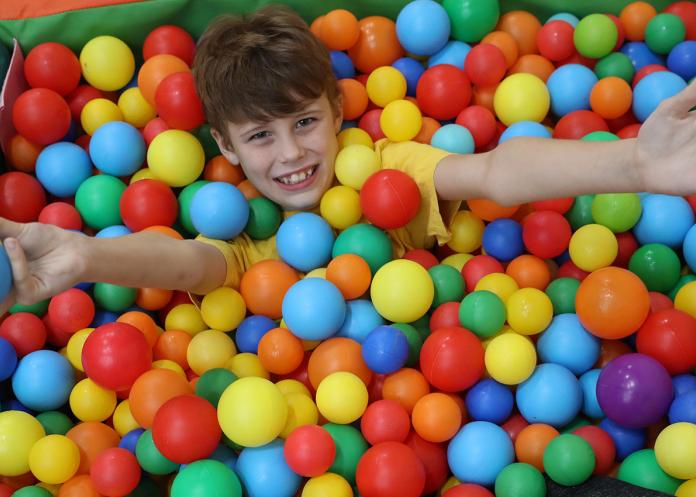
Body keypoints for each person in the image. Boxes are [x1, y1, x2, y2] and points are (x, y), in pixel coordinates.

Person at [1, 5, 696, 314]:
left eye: (305, 122)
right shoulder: (246, 238)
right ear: (226, 148)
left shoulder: (386, 165)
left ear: (337, 110)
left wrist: (634, 167)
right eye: (261, 137)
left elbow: (493, 171)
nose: (293, 152)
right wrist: (86, 256)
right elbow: (187, 263)